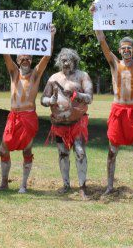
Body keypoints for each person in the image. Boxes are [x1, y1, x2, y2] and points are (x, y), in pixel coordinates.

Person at [90, 0, 133, 197]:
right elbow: (102, 40)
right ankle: (110, 186)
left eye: (129, 48)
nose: (127, 50)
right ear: (119, 51)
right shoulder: (114, 63)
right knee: (112, 151)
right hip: (118, 110)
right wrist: (94, 15)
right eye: (123, 48)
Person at [0, 25, 56, 193]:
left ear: (31, 59)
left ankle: (23, 184)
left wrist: (51, 35)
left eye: (28, 57)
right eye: (22, 56)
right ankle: (4, 182)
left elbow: (47, 56)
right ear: (18, 58)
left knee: (27, 149)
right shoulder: (13, 72)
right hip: (13, 117)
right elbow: (5, 53)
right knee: (3, 149)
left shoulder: (35, 74)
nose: (25, 59)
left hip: (28, 117)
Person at [41, 48, 93, 200]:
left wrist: (77, 94)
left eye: (68, 59)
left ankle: (82, 187)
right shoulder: (53, 78)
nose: (65, 62)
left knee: (80, 152)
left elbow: (89, 97)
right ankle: (66, 185)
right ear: (59, 61)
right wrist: (49, 101)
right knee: (63, 153)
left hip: (77, 122)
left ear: (74, 61)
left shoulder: (82, 76)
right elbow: (43, 99)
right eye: (63, 60)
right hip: (59, 124)